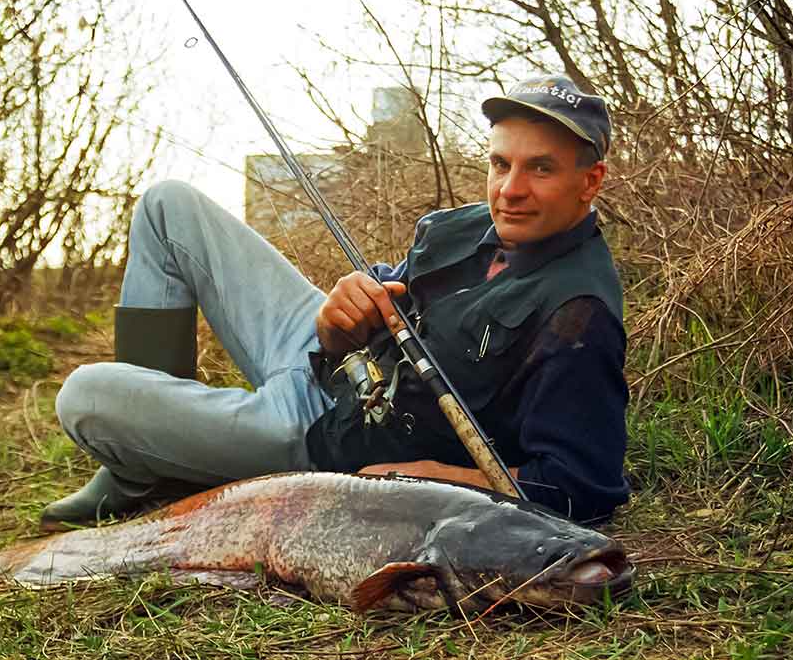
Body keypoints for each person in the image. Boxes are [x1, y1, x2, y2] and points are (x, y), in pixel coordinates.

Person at [40, 74, 630, 532]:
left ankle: (150, 451)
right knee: (169, 206)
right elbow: (388, 287)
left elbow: (584, 487)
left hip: (319, 432)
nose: (510, 190)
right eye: (501, 163)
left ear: (590, 180)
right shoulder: (464, 226)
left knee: (87, 397)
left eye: (540, 169)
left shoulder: (579, 315)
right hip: (322, 351)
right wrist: (341, 308)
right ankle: (137, 469)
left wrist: (446, 477)